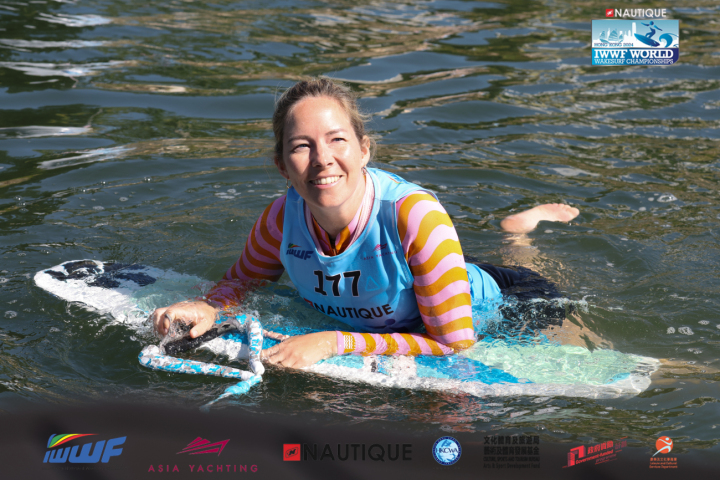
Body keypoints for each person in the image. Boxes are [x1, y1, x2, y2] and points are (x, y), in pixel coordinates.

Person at [150, 78, 580, 368]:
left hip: (508, 304)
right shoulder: (281, 219)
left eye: (337, 139)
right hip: (425, 279)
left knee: (570, 329)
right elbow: (239, 284)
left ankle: (523, 231)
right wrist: (204, 306)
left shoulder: (416, 216)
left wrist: (334, 342)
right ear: (282, 166)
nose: (323, 160)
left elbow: (454, 347)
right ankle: (517, 232)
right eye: (302, 146)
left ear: (364, 150)